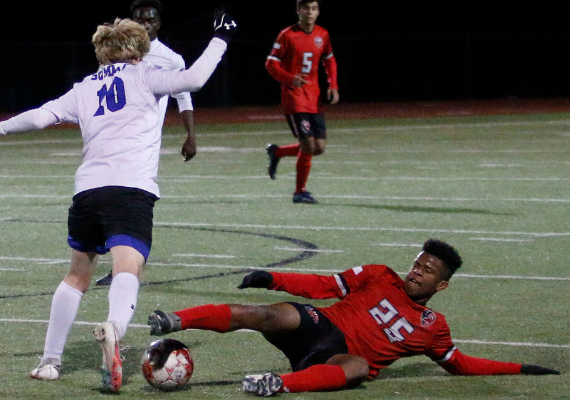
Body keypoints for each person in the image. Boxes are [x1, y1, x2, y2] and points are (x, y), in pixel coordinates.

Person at [0, 13, 237, 393]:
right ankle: (114, 328)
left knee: (77, 276)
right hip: (129, 190)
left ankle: (49, 362)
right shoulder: (146, 75)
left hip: (87, 191)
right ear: (138, 50)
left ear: (103, 53)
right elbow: (195, 79)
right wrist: (220, 38)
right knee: (128, 267)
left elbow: (40, 117)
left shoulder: (84, 87)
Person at [147, 239, 560, 396]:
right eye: (417, 263)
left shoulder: (434, 329)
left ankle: (278, 385)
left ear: (441, 285)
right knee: (267, 314)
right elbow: (325, 285)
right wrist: (273, 277)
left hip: (337, 357)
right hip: (319, 324)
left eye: (428, 270)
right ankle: (175, 320)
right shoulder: (380, 275)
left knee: (359, 367)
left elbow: (461, 365)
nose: (417, 271)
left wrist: (521, 366)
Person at [95, 0, 197, 287]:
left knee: (133, 202)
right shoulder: (118, 51)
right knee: (107, 197)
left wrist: (191, 135)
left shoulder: (171, 59)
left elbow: (184, 96)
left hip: (144, 143)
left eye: (150, 19)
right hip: (113, 137)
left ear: (159, 24)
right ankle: (124, 264)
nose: (144, 24)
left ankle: (129, 267)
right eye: (139, 19)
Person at [264, 0, 339, 204]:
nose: (310, 13)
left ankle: (277, 152)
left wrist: (333, 85)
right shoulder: (287, 35)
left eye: (314, 9)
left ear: (318, 12)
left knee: (319, 147)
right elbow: (270, 63)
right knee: (308, 145)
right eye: (306, 8)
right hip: (294, 97)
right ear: (298, 10)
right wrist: (290, 78)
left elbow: (329, 59)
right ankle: (300, 191)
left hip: (313, 97)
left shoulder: (322, 34)